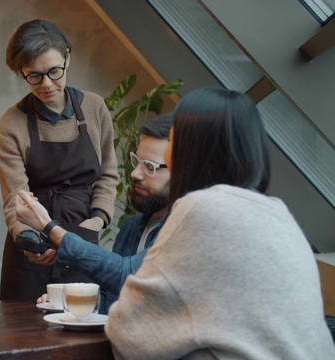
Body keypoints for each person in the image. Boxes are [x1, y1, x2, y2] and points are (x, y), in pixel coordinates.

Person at [20, 87, 335, 358]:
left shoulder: (202, 209)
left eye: (172, 144)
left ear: (191, 152)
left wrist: (51, 229)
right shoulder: (276, 212)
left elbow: (129, 333)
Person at [0, 19, 118, 301]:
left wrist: (96, 222)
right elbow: (16, 196)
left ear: (67, 57)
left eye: (54, 71)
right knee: (24, 335)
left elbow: (108, 174)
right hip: (33, 246)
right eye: (34, 76)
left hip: (83, 234)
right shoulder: (11, 125)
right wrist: (32, 243)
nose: (47, 84)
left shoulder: (94, 107)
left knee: (83, 328)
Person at [25, 114, 172, 314]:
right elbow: (112, 298)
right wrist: (69, 304)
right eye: (137, 161)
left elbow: (127, 276)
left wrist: (49, 227)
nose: (134, 173)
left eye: (149, 166)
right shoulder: (132, 227)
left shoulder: (182, 230)